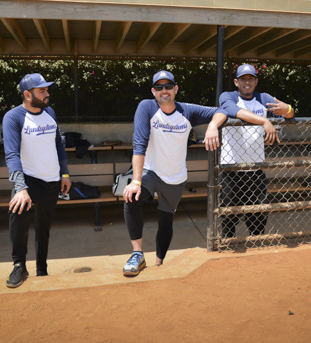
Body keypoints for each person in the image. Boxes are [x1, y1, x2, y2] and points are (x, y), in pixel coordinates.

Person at [122, 70, 227, 277]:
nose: (164, 90)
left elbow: (222, 111)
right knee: (131, 199)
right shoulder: (146, 107)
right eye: (159, 87)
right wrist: (135, 181)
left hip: (175, 178)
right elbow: (139, 145)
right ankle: (137, 254)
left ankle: (159, 263)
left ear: (175, 89)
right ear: (153, 91)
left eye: (168, 86)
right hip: (151, 172)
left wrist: (212, 126)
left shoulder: (186, 110)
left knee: (165, 221)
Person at [2, 73, 71, 288]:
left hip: (51, 180)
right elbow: (12, 154)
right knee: (17, 218)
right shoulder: (13, 117)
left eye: (47, 90)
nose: (47, 94)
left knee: (43, 228)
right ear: (27, 95)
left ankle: (42, 268)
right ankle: (19, 266)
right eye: (42, 91)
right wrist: (20, 187)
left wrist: (65, 173)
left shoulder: (50, 112)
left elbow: (58, 144)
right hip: (28, 181)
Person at [218, 64, 295, 238]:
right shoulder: (229, 97)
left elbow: (288, 114)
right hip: (231, 170)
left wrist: (288, 109)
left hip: (256, 168)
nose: (247, 82)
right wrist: (264, 121)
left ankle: (257, 246)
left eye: (250, 79)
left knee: (258, 216)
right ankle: (228, 246)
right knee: (228, 216)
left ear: (256, 81)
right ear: (236, 82)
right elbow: (233, 111)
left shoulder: (263, 98)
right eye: (243, 79)